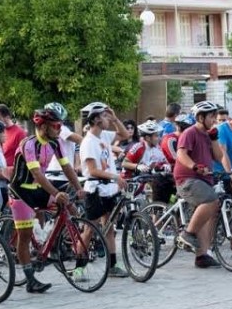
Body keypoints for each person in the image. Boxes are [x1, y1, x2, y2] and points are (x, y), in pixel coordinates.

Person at [9, 109, 84, 294]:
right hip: (21, 191)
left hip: (39, 188)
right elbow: (37, 174)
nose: (60, 129)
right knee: (25, 235)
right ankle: (30, 280)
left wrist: (79, 188)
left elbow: (67, 167)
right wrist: (56, 192)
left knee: (70, 208)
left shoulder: (55, 142)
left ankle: (51, 247)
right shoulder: (29, 144)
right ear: (43, 126)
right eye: (57, 126)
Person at [79, 102, 130, 278]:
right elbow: (92, 170)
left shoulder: (104, 136)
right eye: (104, 116)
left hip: (108, 189)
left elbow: (125, 134)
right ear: (95, 120)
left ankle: (112, 266)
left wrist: (115, 119)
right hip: (95, 190)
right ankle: (78, 268)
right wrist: (116, 177)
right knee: (90, 229)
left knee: (109, 228)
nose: (107, 118)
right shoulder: (89, 142)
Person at [174, 101, 223, 268]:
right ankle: (187, 234)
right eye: (211, 116)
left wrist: (215, 139)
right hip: (187, 178)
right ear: (200, 117)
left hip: (204, 179)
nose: (215, 120)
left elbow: (218, 157)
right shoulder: (190, 132)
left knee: (206, 213)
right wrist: (194, 166)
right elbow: (181, 154)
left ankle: (201, 256)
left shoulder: (209, 134)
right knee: (211, 200)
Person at [122, 120, 173, 204]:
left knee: (141, 207)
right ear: (148, 138)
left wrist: (166, 166)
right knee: (128, 204)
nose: (159, 138)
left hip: (143, 181)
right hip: (129, 179)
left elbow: (164, 161)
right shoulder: (139, 147)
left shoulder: (157, 148)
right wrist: (137, 166)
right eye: (156, 136)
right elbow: (124, 163)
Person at [0, 104, 27, 172]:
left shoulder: (20, 133)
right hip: (0, 172)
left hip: (13, 174)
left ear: (7, 117)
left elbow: (25, 156)